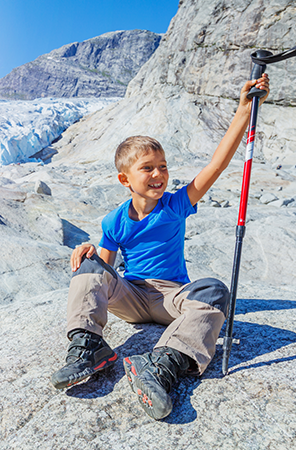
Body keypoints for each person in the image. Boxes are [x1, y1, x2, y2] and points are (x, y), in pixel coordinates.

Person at [50, 74, 270, 420]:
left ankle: (162, 364)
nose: (159, 174)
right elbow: (105, 276)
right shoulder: (113, 221)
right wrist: (90, 254)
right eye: (147, 168)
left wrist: (244, 111)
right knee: (89, 266)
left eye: (163, 167)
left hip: (172, 299)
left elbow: (215, 166)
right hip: (132, 298)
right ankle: (90, 348)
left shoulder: (175, 205)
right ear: (125, 180)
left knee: (214, 291)